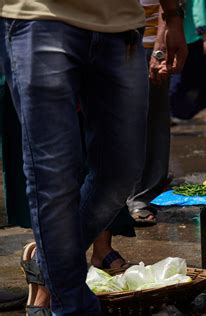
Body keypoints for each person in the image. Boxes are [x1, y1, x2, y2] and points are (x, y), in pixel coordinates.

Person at [0, 0, 187, 315]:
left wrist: (171, 13)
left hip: (119, 25)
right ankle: (71, 306)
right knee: (54, 179)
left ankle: (47, 263)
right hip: (38, 17)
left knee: (121, 172)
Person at [127, 0, 177, 226]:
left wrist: (160, 45)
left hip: (149, 42)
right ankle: (119, 198)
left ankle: (142, 197)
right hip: (110, 38)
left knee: (153, 123)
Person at [169, 0, 206, 123]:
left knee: (204, 74)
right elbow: (198, 12)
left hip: (179, 35)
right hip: (195, 37)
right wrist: (205, 38)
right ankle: (171, 113)